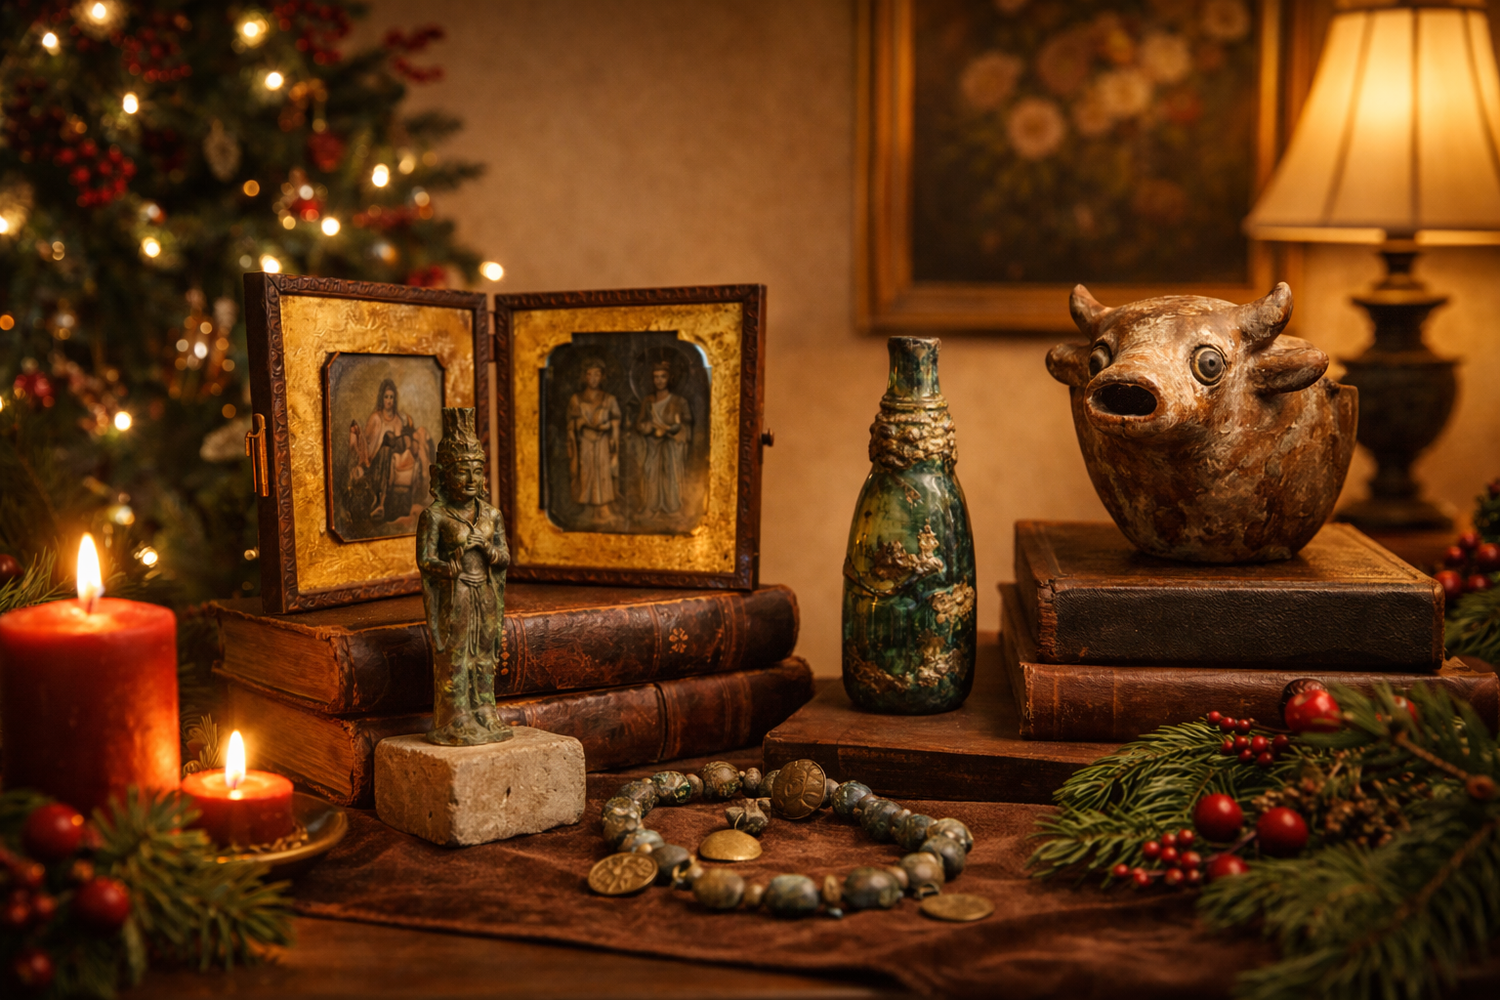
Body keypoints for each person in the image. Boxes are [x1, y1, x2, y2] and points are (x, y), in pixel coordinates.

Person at [416, 408, 511, 747]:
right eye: (461, 472)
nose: (471, 480)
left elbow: (504, 557)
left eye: (476, 472)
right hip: (455, 597)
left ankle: (485, 708)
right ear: (442, 475)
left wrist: (487, 550)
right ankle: (457, 716)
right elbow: (425, 560)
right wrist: (449, 565)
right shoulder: (436, 516)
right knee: (455, 655)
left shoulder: (491, 515)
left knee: (486, 652)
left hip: (484, 593)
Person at [350, 378, 431, 523]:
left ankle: (387, 504)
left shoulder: (399, 420)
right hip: (375, 465)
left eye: (391, 397)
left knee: (394, 444)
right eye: (386, 397)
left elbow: (401, 447)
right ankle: (380, 503)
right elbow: (366, 445)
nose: (389, 400)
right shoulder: (375, 418)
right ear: (382, 398)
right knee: (387, 445)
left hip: (393, 464)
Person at [565, 359, 621, 521]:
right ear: (585, 377)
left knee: (603, 472)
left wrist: (609, 426)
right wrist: (578, 423)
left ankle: (603, 509)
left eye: (597, 374)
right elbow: (570, 424)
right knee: (585, 471)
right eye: (590, 374)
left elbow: (616, 422)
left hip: (603, 443)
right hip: (584, 443)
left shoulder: (609, 399)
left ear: (602, 377)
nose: (593, 378)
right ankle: (587, 507)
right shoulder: (576, 399)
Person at [636, 360, 692, 515]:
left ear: (670, 378)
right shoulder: (648, 401)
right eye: (656, 377)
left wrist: (672, 430)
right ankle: (650, 505)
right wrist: (647, 427)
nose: (659, 380)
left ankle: (672, 507)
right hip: (652, 444)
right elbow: (639, 423)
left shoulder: (679, 401)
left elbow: (686, 424)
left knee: (670, 474)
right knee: (650, 473)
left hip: (672, 446)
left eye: (663, 376)